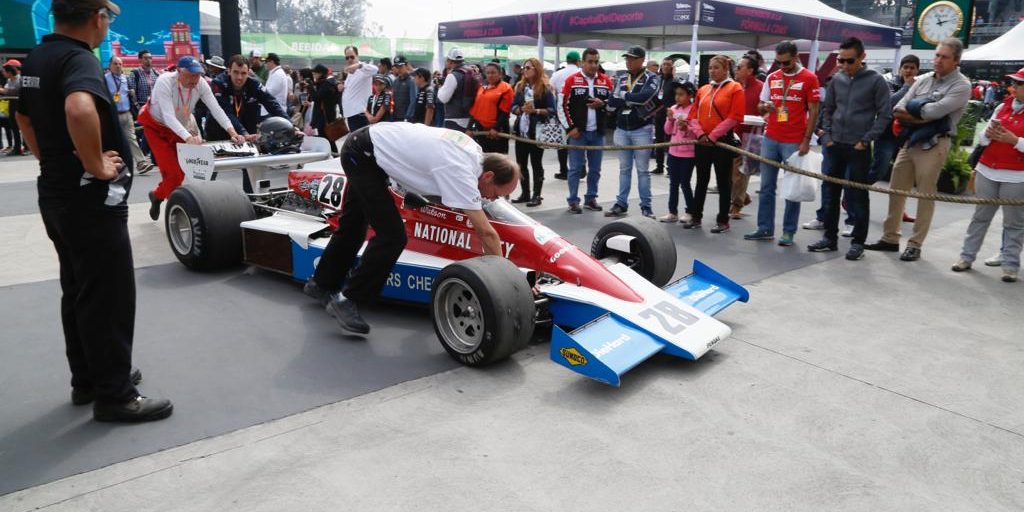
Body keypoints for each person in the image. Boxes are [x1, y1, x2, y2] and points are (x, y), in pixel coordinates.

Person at [16, 0, 172, 422]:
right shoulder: (78, 58)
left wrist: (52, 160)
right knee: (109, 294)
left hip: (56, 194)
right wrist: (95, 164)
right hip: (90, 201)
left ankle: (89, 378)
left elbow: (23, 117)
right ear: (97, 18)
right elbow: (79, 108)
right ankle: (115, 394)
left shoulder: (38, 57)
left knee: (79, 288)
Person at [302, 124, 520, 334]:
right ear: (488, 176)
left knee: (354, 224)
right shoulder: (460, 171)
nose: (493, 199)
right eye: (497, 194)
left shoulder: (475, 153)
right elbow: (486, 233)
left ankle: (321, 283)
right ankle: (349, 299)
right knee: (392, 236)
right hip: (362, 154)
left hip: (369, 145)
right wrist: (503, 282)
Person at [866, 38, 972, 261]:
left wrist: (920, 114)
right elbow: (898, 108)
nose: (938, 60)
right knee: (896, 189)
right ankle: (890, 238)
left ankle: (915, 244)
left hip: (935, 144)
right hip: (911, 141)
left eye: (944, 57)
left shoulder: (961, 85)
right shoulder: (923, 79)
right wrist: (924, 117)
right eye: (937, 55)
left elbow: (935, 112)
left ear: (956, 60)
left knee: (925, 194)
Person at [809, 37, 891, 260]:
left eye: (849, 61)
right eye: (841, 60)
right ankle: (829, 238)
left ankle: (858, 242)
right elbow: (828, 109)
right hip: (834, 145)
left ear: (862, 57)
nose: (844, 65)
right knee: (829, 194)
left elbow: (885, 114)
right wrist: (827, 136)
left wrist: (866, 140)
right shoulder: (837, 79)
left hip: (858, 147)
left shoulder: (876, 81)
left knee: (858, 196)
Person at [141, 56, 245, 221]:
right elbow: (168, 116)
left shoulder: (201, 83)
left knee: (182, 171)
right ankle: (176, 214)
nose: (194, 79)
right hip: (156, 128)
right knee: (173, 173)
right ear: (179, 72)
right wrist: (188, 137)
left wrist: (232, 132)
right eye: (190, 75)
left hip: (178, 128)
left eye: (197, 75)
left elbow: (216, 109)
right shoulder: (164, 81)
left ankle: (157, 195)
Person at [951, 67, 1024, 283]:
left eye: (1019, 83)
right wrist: (988, 134)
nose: (1014, 86)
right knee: (980, 218)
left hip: (1016, 176)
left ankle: (1010, 266)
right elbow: (982, 139)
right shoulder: (1002, 106)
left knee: (1014, 224)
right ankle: (966, 257)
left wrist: (1015, 141)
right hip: (987, 170)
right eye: (1014, 82)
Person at [744, 41, 820, 244]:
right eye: (778, 62)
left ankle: (788, 232)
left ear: (796, 57)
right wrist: (765, 107)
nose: (782, 67)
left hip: (794, 140)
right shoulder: (772, 77)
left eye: (786, 63)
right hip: (771, 137)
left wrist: (806, 140)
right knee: (766, 187)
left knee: (792, 189)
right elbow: (760, 105)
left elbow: (814, 111)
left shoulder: (809, 78)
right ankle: (764, 228)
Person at [208, 55, 288, 192]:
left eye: (243, 73)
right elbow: (226, 112)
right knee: (212, 167)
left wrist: (291, 126)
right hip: (218, 130)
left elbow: (272, 104)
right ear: (228, 70)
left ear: (248, 72)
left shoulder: (254, 84)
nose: (239, 77)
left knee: (250, 166)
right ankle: (205, 195)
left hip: (247, 130)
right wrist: (242, 132)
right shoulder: (218, 83)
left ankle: (252, 197)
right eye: (236, 72)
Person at [686, 55, 744, 232]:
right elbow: (692, 115)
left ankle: (723, 221)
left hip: (721, 142)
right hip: (702, 141)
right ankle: (696, 217)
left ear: (726, 69)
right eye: (710, 68)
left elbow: (735, 116)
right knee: (701, 180)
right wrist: (700, 134)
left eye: (716, 67)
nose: (712, 71)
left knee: (723, 182)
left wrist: (713, 136)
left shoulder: (735, 88)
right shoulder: (703, 89)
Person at [605, 46, 662, 218]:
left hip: (642, 129)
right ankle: (621, 204)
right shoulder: (622, 77)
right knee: (624, 169)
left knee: (643, 170)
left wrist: (624, 97)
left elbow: (645, 97)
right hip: (622, 129)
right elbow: (611, 101)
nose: (628, 61)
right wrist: (629, 99)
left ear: (642, 60)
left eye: (632, 58)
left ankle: (646, 206)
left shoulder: (652, 77)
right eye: (627, 58)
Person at [562, 48, 614, 214]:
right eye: (590, 61)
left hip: (598, 133)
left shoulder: (606, 81)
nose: (593, 65)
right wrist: (571, 128)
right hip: (578, 133)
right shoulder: (571, 80)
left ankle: (591, 198)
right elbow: (561, 105)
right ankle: (573, 200)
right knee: (575, 168)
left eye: (596, 62)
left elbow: (613, 104)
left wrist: (603, 104)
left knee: (595, 169)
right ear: (582, 62)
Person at [508, 57, 556, 207]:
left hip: (537, 131)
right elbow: (513, 106)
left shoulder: (545, 87)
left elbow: (552, 110)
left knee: (536, 163)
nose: (525, 70)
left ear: (537, 69)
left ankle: (537, 195)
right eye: (524, 68)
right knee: (521, 163)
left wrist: (536, 111)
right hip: (521, 131)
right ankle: (525, 193)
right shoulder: (520, 86)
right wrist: (520, 109)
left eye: (528, 68)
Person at [871, 55, 920, 184]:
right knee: (879, 170)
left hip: (907, 136)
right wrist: (907, 87)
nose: (908, 71)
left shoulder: (921, 87)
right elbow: (890, 103)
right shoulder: (889, 83)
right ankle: (855, 189)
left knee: (903, 174)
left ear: (917, 70)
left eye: (912, 68)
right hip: (886, 135)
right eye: (905, 67)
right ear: (900, 69)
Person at [660, 80, 698, 223]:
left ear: (690, 95)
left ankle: (690, 211)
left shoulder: (694, 110)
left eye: (681, 94)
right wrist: (670, 119)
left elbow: (696, 132)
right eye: (676, 94)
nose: (678, 97)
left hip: (688, 153)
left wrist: (686, 128)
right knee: (673, 183)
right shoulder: (673, 108)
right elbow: (667, 131)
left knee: (685, 183)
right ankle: (672, 212)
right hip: (673, 151)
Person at [730, 54, 764, 219]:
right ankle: (743, 197)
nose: (736, 70)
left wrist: (764, 118)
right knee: (731, 172)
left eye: (739, 67)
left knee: (741, 172)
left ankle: (736, 205)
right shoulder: (735, 86)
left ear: (750, 70)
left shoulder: (761, 87)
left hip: (752, 135)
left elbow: (770, 110)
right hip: (733, 133)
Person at [104, 57, 151, 173]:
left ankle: (141, 163)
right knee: (115, 140)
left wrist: (131, 93)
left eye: (120, 64)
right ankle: (116, 165)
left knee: (132, 138)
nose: (118, 66)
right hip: (113, 115)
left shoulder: (125, 78)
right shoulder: (105, 79)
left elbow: (129, 92)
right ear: (110, 66)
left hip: (127, 113)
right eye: (115, 64)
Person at [468, 62, 513, 154]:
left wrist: (496, 128)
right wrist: (469, 128)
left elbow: (504, 112)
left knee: (498, 160)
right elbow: (475, 110)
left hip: (498, 131)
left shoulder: (506, 88)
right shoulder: (482, 88)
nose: (490, 75)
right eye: (488, 73)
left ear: (500, 74)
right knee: (483, 158)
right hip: (481, 130)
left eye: (493, 73)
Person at [550, 51, 581, 180]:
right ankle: (581, 168)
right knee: (579, 140)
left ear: (567, 60)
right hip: (579, 112)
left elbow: (550, 91)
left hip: (562, 112)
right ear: (578, 61)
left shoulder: (557, 74)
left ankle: (564, 170)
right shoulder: (581, 73)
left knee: (562, 142)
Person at [438, 48, 480, 131]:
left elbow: (443, 98)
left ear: (450, 61)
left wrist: (440, 88)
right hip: (470, 119)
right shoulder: (471, 72)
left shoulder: (453, 75)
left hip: (454, 119)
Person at [339, 46, 379, 133]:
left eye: (352, 57)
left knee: (361, 140)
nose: (349, 60)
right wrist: (342, 86)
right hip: (351, 113)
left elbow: (375, 69)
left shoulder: (363, 69)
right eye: (347, 58)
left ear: (357, 56)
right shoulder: (350, 72)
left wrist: (359, 65)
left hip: (360, 113)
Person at [653, 57, 680, 175]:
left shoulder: (674, 81)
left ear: (672, 67)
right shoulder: (658, 79)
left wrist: (674, 76)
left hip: (670, 116)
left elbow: (679, 96)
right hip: (658, 115)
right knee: (658, 141)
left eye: (668, 64)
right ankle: (659, 166)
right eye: (664, 64)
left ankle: (670, 168)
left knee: (669, 141)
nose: (666, 66)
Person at [309, 63, 341, 152]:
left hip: (325, 116)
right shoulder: (324, 83)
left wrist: (310, 87)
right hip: (324, 115)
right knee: (326, 137)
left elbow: (316, 97)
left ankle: (333, 154)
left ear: (320, 73)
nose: (314, 75)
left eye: (315, 73)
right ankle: (330, 153)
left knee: (327, 137)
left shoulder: (327, 84)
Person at [1, 61, 25, 155]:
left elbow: (15, 92)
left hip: (18, 105)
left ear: (9, 72)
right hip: (11, 104)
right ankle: (17, 147)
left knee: (21, 127)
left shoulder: (20, 79)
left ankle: (25, 147)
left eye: (4, 71)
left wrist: (4, 91)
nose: (3, 73)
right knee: (13, 127)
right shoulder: (9, 81)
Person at [390, 55, 418, 122]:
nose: (398, 69)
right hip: (395, 116)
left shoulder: (411, 81)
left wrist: (407, 117)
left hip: (407, 118)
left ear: (406, 66)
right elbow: (393, 98)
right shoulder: (395, 81)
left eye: (401, 66)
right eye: (397, 67)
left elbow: (413, 101)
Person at [263, 52, 292, 119]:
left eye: (266, 62)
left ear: (272, 62)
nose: (265, 64)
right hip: (273, 111)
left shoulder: (278, 74)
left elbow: (269, 93)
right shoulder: (275, 73)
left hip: (274, 112)